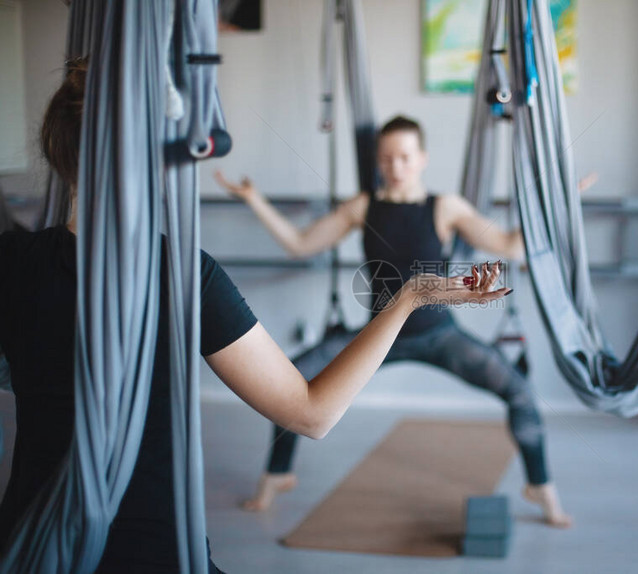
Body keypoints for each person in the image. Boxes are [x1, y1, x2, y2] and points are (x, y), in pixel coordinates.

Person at [0, 63, 508, 573]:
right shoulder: (181, 275)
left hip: (28, 545)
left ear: (55, 151)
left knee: (515, 393)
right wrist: (411, 296)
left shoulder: (11, 261)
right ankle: (276, 477)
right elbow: (312, 414)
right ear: (148, 158)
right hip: (149, 549)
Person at [214, 115, 573, 529]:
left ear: (421, 159)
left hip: (438, 334)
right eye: (387, 159)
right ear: (378, 162)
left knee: (522, 393)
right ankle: (278, 475)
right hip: (377, 337)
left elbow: (510, 245)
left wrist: (555, 206)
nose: (395, 167)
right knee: (290, 384)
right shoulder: (363, 206)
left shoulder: (446, 206)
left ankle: (541, 488)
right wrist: (254, 198)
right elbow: (300, 244)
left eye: (404, 157)